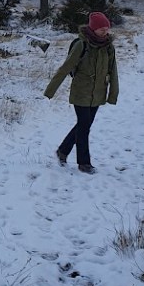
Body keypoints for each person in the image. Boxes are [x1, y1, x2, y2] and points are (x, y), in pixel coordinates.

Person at [44, 11, 119, 174]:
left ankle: (63, 150)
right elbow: (66, 68)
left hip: (98, 93)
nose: (105, 32)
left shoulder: (108, 47)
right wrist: (51, 90)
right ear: (93, 29)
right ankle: (84, 163)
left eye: (107, 28)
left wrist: (112, 94)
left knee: (83, 125)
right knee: (84, 127)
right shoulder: (81, 44)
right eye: (101, 29)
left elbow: (113, 71)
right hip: (81, 92)